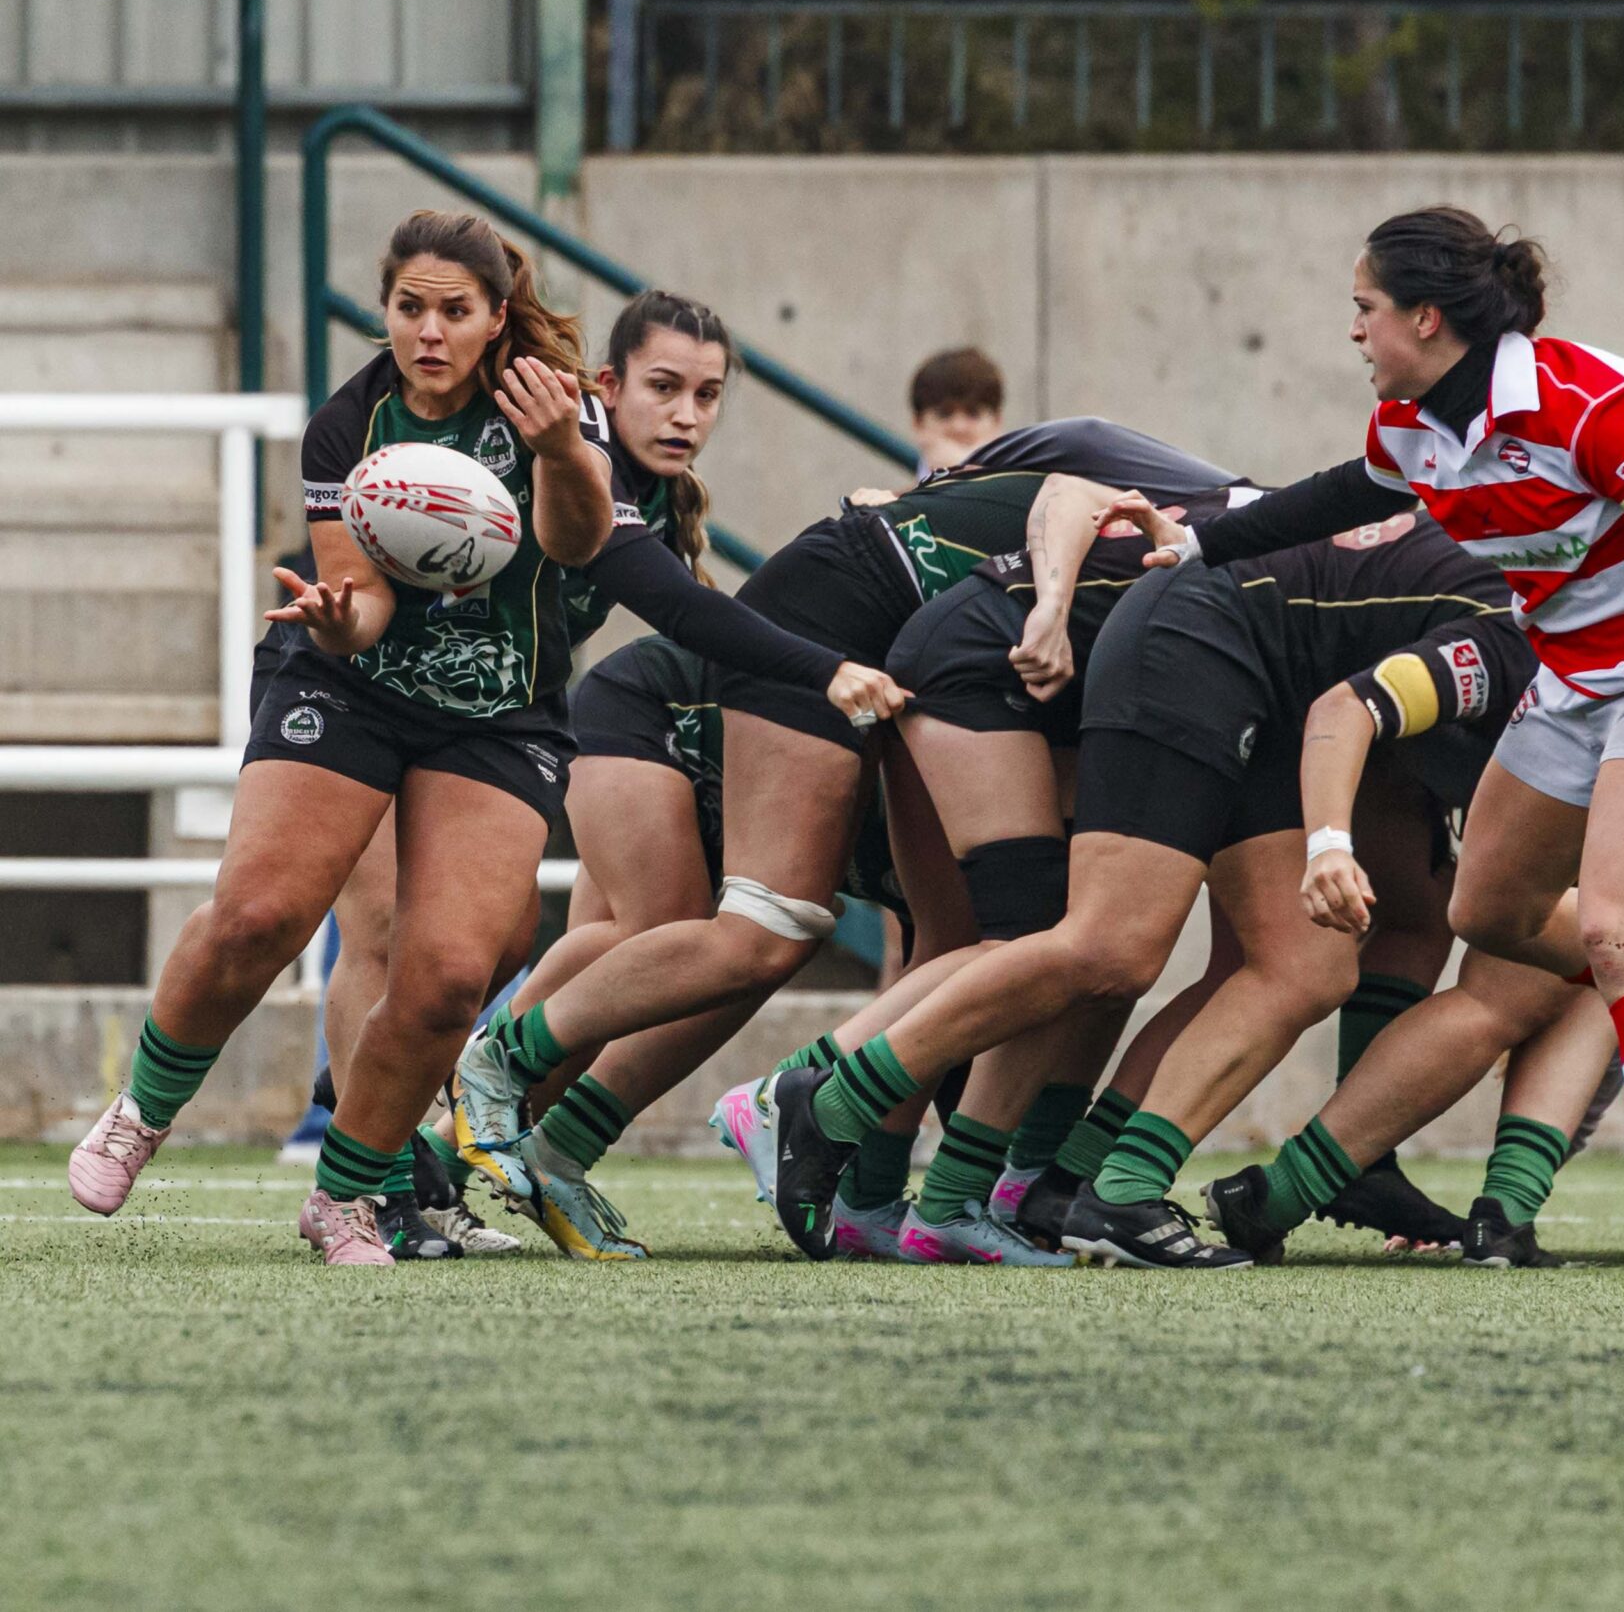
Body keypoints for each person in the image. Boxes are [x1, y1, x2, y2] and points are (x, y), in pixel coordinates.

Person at [1107, 207, 1624, 1276]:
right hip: (1569, 681)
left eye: (1364, 311)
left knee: (1611, 933)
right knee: (1488, 913)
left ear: (1425, 317)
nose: (1355, 334)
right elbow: (1333, 496)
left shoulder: (1584, 399)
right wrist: (1197, 541)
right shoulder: (1414, 426)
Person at [446, 421, 1236, 1251]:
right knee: (756, 933)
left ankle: (874, 1187)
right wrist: (1046, 605)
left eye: (709, 394)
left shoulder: (1127, 582)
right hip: (795, 650)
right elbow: (1071, 483)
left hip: (913, 664)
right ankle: (495, 1070)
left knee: (991, 940)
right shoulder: (1213, 517)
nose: (687, 414)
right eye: (669, 389)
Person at [763, 505, 1546, 1267]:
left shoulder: (1539, 596)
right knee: (1108, 946)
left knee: (1308, 966)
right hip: (1196, 639)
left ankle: (1098, 1187)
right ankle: (831, 1103)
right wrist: (1330, 844)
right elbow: (1353, 706)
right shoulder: (1520, 627)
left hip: (1258, 672)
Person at [64, 210, 622, 1263]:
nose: (429, 331)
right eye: (409, 307)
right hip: (350, 681)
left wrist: (559, 452)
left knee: (455, 973)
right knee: (260, 915)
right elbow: (359, 602)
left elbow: (578, 543)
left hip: (499, 708)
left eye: (455, 311)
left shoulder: (553, 410)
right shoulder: (348, 425)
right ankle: (142, 1108)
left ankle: (347, 1195)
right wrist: (335, 615)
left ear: (496, 316)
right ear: (387, 310)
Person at [908, 346, 1005, 476]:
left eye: (973, 414)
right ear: (918, 424)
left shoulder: (1033, 490)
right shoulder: (894, 497)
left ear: (997, 422)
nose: (959, 428)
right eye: (944, 414)